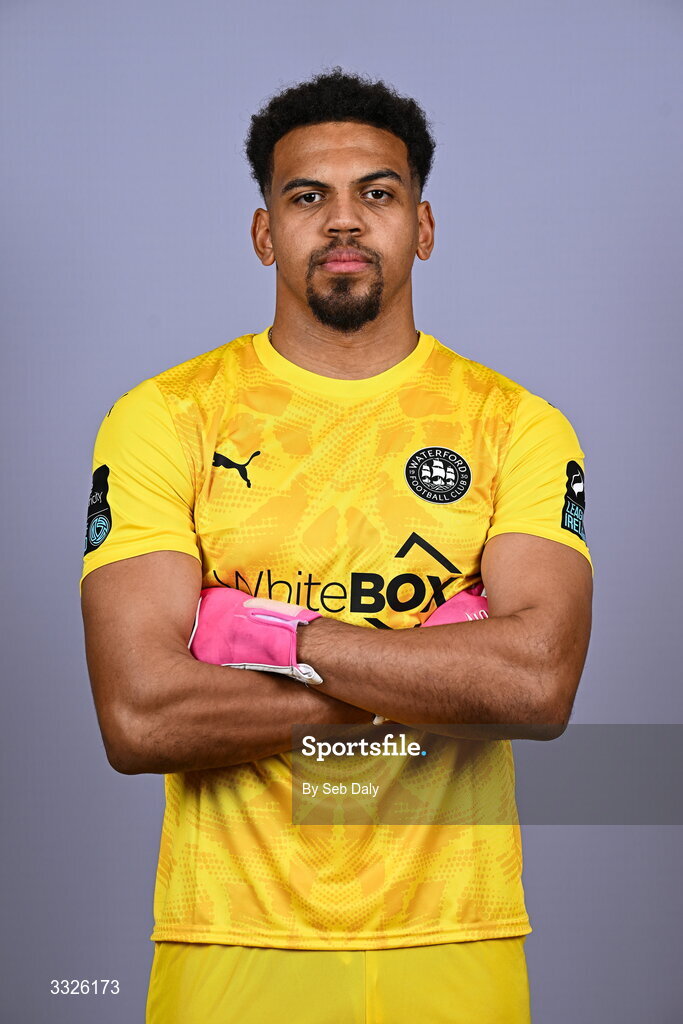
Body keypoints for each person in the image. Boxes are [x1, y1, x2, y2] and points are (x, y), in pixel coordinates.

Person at [80, 66, 592, 1024]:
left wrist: (273, 637)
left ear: (423, 229)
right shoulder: (163, 419)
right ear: (265, 232)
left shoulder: (517, 425)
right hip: (230, 936)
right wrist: (435, 674)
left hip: (456, 934)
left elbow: (534, 688)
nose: (344, 221)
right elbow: (141, 717)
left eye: (379, 194)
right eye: (308, 196)